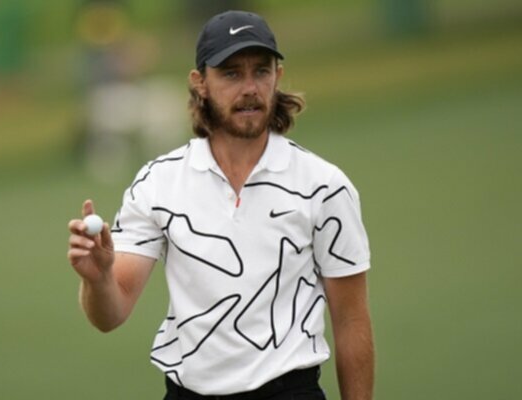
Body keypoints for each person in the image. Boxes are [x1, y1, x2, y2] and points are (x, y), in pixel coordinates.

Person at [67, 10, 374, 400]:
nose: (249, 88)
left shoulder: (324, 186)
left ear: (277, 77)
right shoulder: (158, 183)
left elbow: (351, 322)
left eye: (260, 71)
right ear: (200, 84)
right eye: (231, 73)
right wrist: (97, 279)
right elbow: (110, 315)